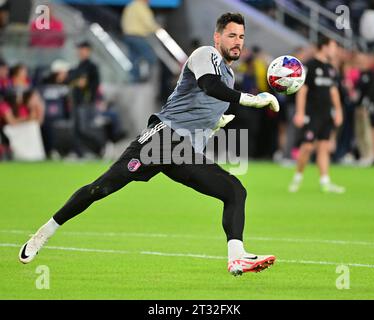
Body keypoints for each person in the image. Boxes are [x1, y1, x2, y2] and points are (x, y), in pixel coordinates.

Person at [18, 13, 279, 276]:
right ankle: (44, 232)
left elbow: (202, 108)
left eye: (241, 37)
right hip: (162, 139)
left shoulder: (230, 77)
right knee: (101, 188)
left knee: (234, 191)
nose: (237, 42)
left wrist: (216, 122)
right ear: (217, 36)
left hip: (181, 152)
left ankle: (236, 258)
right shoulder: (205, 54)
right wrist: (250, 99)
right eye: (231, 35)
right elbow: (209, 86)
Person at [289, 36, 345, 193]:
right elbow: (302, 90)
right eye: (333, 46)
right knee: (307, 147)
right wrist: (300, 113)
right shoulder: (310, 66)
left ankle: (325, 182)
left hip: (326, 114)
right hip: (312, 114)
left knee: (323, 147)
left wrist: (338, 111)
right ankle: (297, 178)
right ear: (324, 47)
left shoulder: (331, 68)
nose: (335, 50)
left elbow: (334, 91)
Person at [121, 0, 159, 82]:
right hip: (137, 36)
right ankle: (151, 81)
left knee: (134, 60)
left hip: (128, 36)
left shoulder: (130, 6)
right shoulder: (141, 7)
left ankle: (134, 81)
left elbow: (123, 21)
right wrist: (157, 29)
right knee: (151, 57)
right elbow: (148, 22)